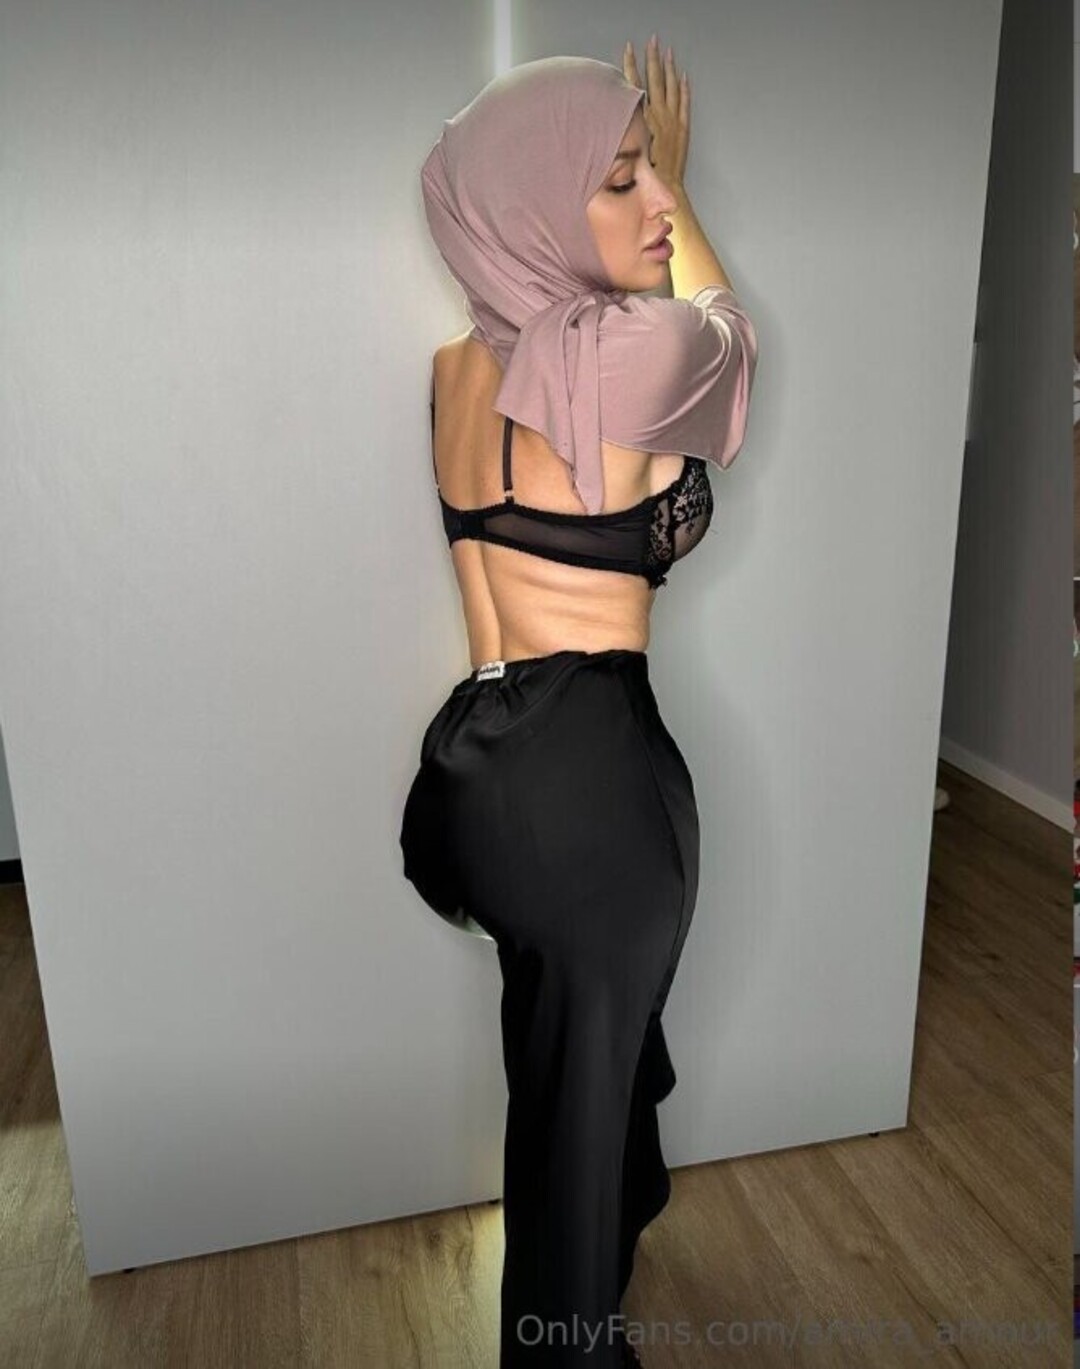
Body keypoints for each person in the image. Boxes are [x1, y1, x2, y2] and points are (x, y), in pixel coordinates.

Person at [400, 37, 758, 1368]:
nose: (652, 203)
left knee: (559, 1070)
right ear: (534, 207)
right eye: (618, 180)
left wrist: (639, 191)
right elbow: (731, 337)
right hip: (593, 790)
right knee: (573, 1137)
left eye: (651, 174)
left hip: (475, 775)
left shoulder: (453, 367)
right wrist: (687, 190)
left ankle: (603, 1230)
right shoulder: (625, 367)